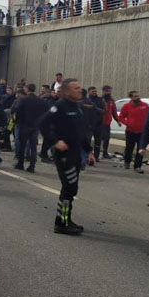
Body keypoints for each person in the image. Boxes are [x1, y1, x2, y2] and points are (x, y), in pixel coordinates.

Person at [39, 79, 95, 235]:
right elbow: (42, 123)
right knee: (69, 188)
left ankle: (66, 219)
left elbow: (80, 132)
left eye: (80, 87)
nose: (80, 90)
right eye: (76, 88)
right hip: (64, 155)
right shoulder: (59, 106)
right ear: (67, 91)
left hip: (75, 153)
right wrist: (55, 142)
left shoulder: (77, 107)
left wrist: (88, 151)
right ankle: (61, 223)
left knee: (71, 189)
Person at [119, 91, 149, 173]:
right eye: (135, 96)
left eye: (138, 96)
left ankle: (137, 166)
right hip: (131, 131)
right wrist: (128, 123)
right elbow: (121, 117)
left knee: (141, 149)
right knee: (129, 148)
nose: (138, 97)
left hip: (142, 132)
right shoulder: (126, 106)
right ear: (131, 98)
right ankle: (127, 162)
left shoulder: (145, 106)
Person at [85, 87, 106, 161]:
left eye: (95, 91)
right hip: (89, 125)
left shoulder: (100, 100)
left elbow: (104, 111)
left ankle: (96, 157)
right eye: (92, 91)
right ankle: (87, 156)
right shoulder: (87, 100)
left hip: (98, 124)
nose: (94, 92)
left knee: (98, 141)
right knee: (87, 141)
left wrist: (95, 108)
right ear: (88, 92)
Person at [100, 85, 119, 159]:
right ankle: (97, 152)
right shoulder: (100, 100)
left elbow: (114, 112)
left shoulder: (111, 100)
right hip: (100, 122)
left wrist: (118, 121)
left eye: (110, 91)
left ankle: (105, 152)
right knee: (100, 138)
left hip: (108, 123)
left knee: (107, 138)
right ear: (104, 91)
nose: (109, 92)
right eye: (108, 91)